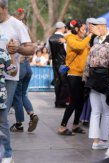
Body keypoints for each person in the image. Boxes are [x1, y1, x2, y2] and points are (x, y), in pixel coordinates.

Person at [0, 0, 35, 162]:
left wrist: (18, 49)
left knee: (2, 115)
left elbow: (31, 49)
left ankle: (7, 153)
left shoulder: (16, 25)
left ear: (4, 8)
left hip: (9, 76)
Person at [83, 18, 109, 150]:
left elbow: (86, 67)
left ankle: (95, 141)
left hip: (92, 81)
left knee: (95, 112)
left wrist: (86, 80)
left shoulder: (93, 48)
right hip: (105, 82)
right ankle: (104, 139)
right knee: (107, 112)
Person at [57, 19, 97, 136]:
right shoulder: (71, 39)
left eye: (86, 29)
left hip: (83, 75)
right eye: (83, 29)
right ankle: (62, 127)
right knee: (74, 101)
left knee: (80, 101)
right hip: (73, 74)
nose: (85, 31)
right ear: (76, 29)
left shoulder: (82, 40)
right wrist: (89, 35)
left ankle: (75, 125)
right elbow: (79, 47)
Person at [48, 21, 69, 108]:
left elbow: (48, 50)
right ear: (62, 28)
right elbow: (67, 51)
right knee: (65, 82)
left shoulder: (50, 38)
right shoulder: (64, 38)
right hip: (63, 63)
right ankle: (62, 102)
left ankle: (57, 101)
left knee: (57, 82)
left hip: (55, 63)